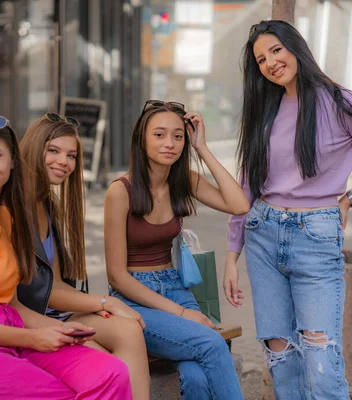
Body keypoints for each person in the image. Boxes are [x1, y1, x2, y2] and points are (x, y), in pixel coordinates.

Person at [224, 20, 352, 400]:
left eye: (276, 50)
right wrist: (232, 255)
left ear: (296, 47)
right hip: (263, 231)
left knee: (320, 354)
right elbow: (246, 185)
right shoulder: (265, 107)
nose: (271, 63)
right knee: (279, 353)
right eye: (261, 59)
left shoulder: (341, 101)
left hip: (316, 235)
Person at [0, 114, 132, 400]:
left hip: (11, 332)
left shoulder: (5, 217)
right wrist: (33, 338)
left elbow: (13, 303)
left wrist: (60, 329)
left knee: (111, 374)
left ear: (12, 163)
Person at [104, 100, 249, 400]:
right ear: (141, 139)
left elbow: (239, 205)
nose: (169, 143)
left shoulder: (184, 182)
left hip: (175, 286)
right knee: (212, 344)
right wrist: (183, 313)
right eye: (159, 135)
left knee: (196, 376)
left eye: (178, 136)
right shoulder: (120, 192)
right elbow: (117, 277)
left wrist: (203, 149)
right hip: (135, 300)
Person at [16, 113, 150, 400]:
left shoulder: (46, 205)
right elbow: (43, 293)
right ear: (34, 148)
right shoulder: (14, 208)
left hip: (54, 312)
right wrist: (106, 301)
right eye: (53, 150)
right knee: (111, 365)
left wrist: (106, 305)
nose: (64, 161)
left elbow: (54, 284)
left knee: (128, 329)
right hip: (28, 321)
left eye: (71, 155)